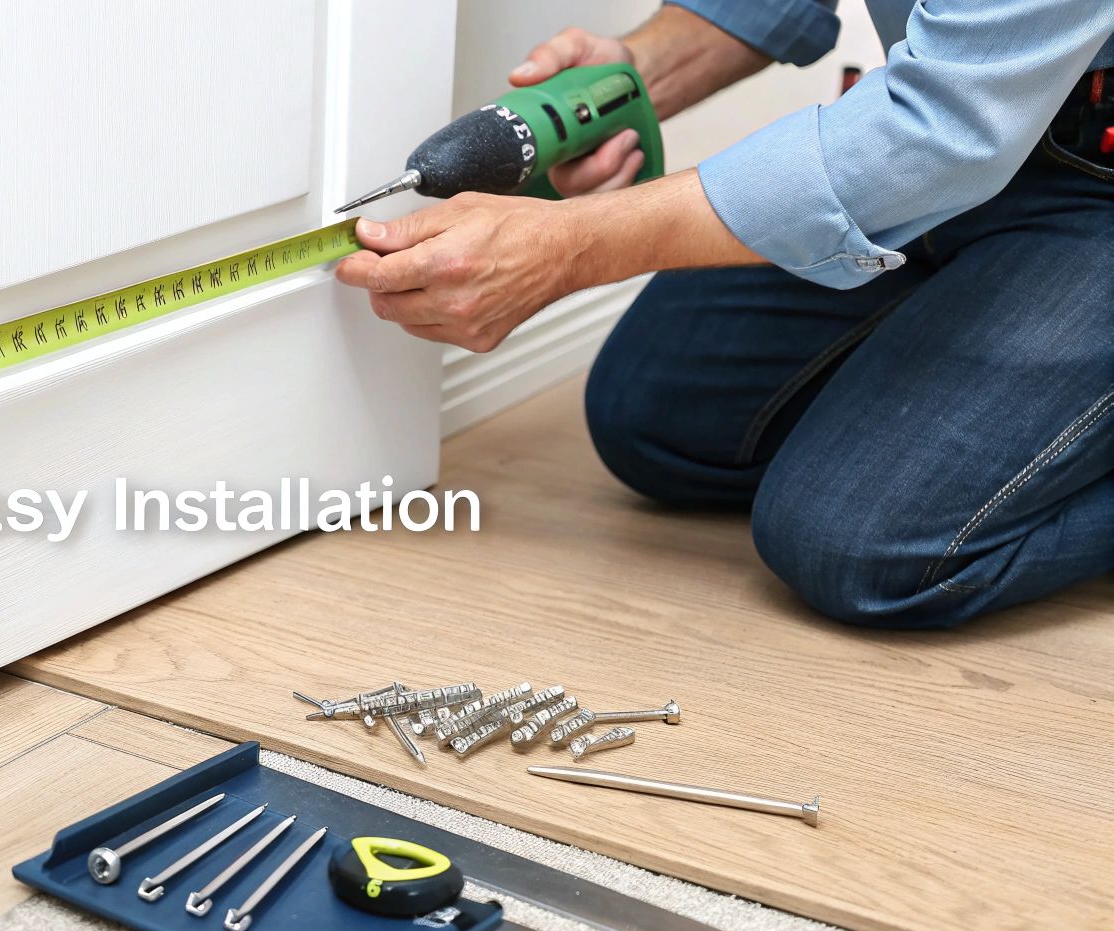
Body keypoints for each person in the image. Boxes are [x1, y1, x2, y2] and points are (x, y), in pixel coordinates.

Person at [335, 1, 1114, 629]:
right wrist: (641, 67)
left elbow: (943, 129)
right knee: (650, 416)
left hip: (1073, 171)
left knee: (859, 549)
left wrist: (572, 248)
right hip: (974, 141)